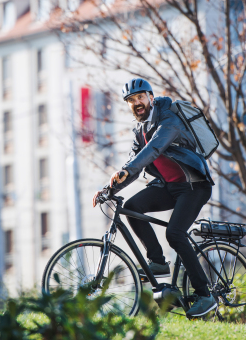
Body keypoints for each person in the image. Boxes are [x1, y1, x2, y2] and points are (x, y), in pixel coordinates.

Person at [92, 78, 217, 317]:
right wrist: (108, 190)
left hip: (194, 186)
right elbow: (132, 166)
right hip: (169, 187)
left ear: (151, 97)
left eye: (140, 97)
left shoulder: (169, 119)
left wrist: (128, 169)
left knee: (175, 233)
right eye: (131, 100)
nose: (136, 103)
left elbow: (155, 149)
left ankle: (205, 295)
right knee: (132, 207)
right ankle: (157, 261)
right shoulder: (139, 131)